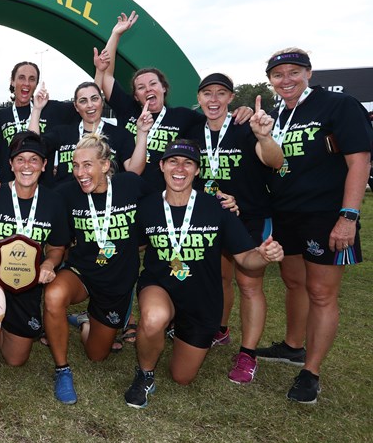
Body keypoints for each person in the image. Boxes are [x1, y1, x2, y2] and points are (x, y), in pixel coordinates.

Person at [124, 139, 284, 409]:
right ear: (162, 166)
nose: (180, 168)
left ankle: (178, 331)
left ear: (197, 170)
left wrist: (264, 256)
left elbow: (246, 258)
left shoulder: (217, 208)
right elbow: (131, 246)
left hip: (202, 298)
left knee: (182, 377)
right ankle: (145, 374)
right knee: (153, 318)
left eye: (188, 163)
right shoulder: (147, 207)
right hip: (159, 286)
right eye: (173, 161)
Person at [255, 49, 371, 403]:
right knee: (294, 282)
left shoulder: (337, 105)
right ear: (270, 81)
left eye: (293, 72)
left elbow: (360, 161)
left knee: (321, 293)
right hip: (286, 212)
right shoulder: (276, 114)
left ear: (308, 72)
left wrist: (348, 216)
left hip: (326, 214)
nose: (286, 79)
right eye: (278, 74)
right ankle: (293, 346)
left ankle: (312, 371)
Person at [0, 130, 70, 435]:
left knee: (15, 358)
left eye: (33, 160)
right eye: (20, 159)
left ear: (44, 165)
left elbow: (59, 246)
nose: (27, 165)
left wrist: (50, 263)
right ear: (10, 164)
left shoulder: (53, 201)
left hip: (27, 285)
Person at [186, 73, 284, 384]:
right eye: (207, 94)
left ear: (231, 98)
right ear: (199, 98)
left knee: (249, 283)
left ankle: (248, 354)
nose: (213, 100)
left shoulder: (245, 127)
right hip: (212, 218)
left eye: (221, 94)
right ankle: (221, 329)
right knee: (221, 277)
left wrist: (265, 137)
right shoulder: (192, 129)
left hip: (250, 215)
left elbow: (276, 162)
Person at [43, 129, 152, 404]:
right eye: (76, 166)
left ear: (105, 165)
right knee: (54, 296)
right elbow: (33, 200)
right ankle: (62, 369)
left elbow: (170, 203)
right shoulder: (68, 192)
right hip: (81, 272)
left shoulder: (131, 185)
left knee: (97, 355)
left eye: (87, 165)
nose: (80, 172)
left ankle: (85, 322)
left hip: (117, 281)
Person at [94, 12, 253, 191]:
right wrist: (116, 34)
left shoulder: (182, 116)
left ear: (164, 88)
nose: (148, 89)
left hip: (165, 197)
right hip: (129, 194)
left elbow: (216, 117)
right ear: (136, 96)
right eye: (141, 87)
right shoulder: (128, 109)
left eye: (153, 84)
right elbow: (106, 74)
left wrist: (245, 110)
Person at [27, 80, 151, 185]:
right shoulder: (62, 132)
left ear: (102, 102)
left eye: (94, 99)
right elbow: (32, 147)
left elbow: (134, 171)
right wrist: (37, 109)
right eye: (83, 101)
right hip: (66, 205)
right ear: (76, 107)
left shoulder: (120, 135)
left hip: (105, 205)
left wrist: (142, 132)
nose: (90, 105)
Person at [0, 61, 76, 182]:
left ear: (36, 84)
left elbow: (86, 104)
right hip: (9, 189)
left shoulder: (50, 109)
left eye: (32, 79)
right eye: (21, 78)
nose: (26, 83)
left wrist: (100, 71)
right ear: (12, 81)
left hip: (43, 190)